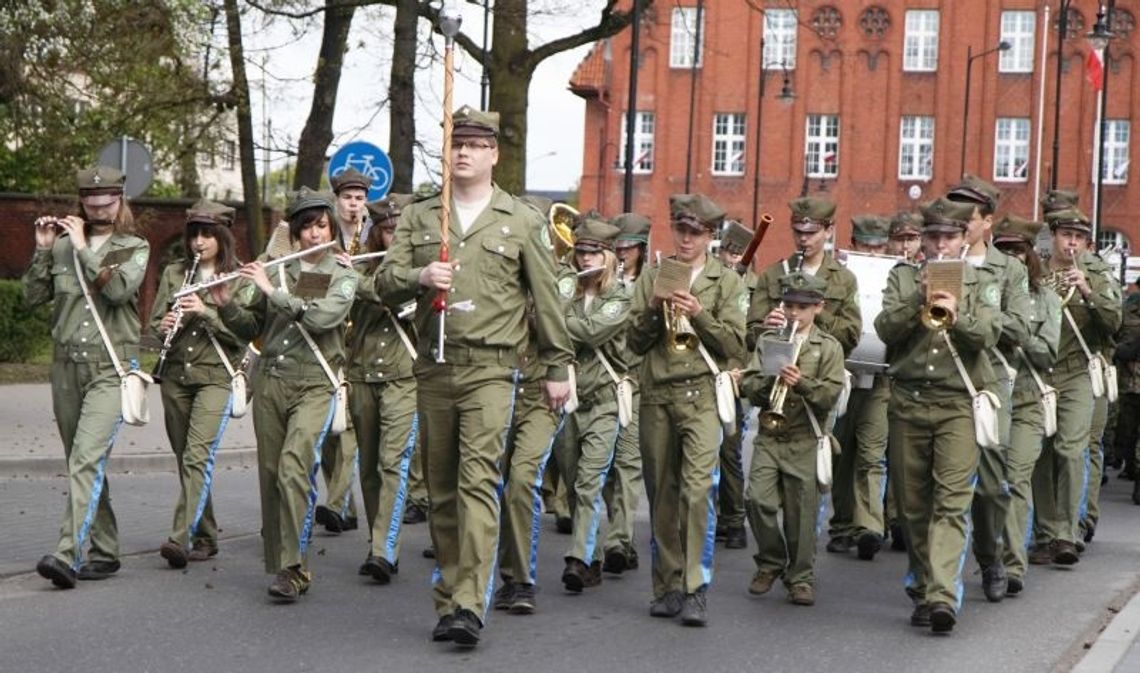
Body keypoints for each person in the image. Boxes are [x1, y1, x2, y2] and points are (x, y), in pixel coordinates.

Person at [376, 105, 573, 647]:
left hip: (492, 367)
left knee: (478, 483)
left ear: (493, 154)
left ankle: (469, 603)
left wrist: (557, 366)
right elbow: (382, 283)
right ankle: (448, 597)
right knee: (441, 491)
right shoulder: (423, 216)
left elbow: (546, 298)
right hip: (434, 364)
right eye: (455, 144)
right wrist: (419, 274)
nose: (462, 152)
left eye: (474, 145)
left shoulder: (521, 219)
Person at [215, 187, 357, 602]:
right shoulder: (277, 269)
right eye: (307, 227)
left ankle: (294, 566)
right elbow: (250, 329)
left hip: (315, 382)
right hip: (272, 380)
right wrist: (225, 305)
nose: (315, 234)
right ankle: (282, 564)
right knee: (271, 473)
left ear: (332, 229)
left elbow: (323, 318)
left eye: (322, 226)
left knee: (295, 465)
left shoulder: (343, 274)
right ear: (295, 233)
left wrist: (271, 289)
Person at [875, 197, 1001, 634]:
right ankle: (925, 584)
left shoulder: (981, 280)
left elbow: (988, 335)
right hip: (908, 402)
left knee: (950, 503)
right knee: (913, 508)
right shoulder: (903, 277)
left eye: (949, 236)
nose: (941, 245)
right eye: (933, 237)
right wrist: (919, 295)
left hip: (956, 406)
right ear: (924, 240)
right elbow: (884, 329)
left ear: (963, 238)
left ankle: (942, 595)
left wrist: (956, 312)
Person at [26, 165, 150, 588]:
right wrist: (44, 249)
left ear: (119, 200)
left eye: (107, 202)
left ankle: (66, 554)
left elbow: (116, 291)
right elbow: (32, 297)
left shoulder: (132, 246)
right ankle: (106, 549)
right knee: (82, 461)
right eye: (92, 203)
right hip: (65, 367)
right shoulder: (60, 245)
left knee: (85, 459)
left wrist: (82, 246)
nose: (99, 210)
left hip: (109, 368)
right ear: (81, 202)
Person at [627, 193, 747, 627]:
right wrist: (653, 309)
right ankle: (668, 585)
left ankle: (696, 587)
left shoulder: (726, 281)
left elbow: (735, 345)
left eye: (694, 232)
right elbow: (634, 342)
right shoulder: (653, 275)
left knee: (697, 492)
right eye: (680, 229)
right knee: (662, 494)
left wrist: (699, 314)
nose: (685, 238)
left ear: (709, 235)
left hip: (701, 395)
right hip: (658, 393)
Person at [746, 196, 861, 553]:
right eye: (798, 231)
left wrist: (810, 310)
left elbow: (851, 335)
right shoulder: (773, 274)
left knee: (805, 495)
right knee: (760, 497)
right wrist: (767, 325)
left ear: (828, 231)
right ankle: (776, 558)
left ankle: (801, 564)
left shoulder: (842, 278)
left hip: (818, 377)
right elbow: (749, 333)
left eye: (811, 233)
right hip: (774, 379)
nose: (804, 239)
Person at [946, 175, 1032, 602]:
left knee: (991, 482)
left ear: (986, 222)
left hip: (988, 380)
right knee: (936, 485)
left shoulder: (1009, 269)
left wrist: (977, 317)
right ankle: (934, 581)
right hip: (942, 378)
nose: (960, 223)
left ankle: (990, 555)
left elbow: (1020, 328)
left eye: (969, 216)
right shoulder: (940, 259)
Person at [151, 200, 245, 568]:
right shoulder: (175, 273)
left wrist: (206, 312)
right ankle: (205, 534)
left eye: (207, 235)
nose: (199, 242)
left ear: (222, 237)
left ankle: (180, 537)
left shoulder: (236, 277)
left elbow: (243, 337)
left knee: (197, 456)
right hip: (175, 376)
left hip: (215, 377)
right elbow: (154, 324)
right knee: (185, 458)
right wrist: (162, 326)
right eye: (194, 235)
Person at [743, 271, 845, 606]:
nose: (794, 313)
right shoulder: (769, 340)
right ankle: (771, 561)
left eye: (802, 307)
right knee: (757, 500)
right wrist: (767, 380)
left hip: (805, 438)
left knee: (802, 516)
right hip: (771, 435)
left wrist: (801, 383)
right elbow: (749, 385)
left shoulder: (828, 347)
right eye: (789, 305)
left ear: (818, 307)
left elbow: (829, 396)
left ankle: (800, 577)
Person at [1030, 204, 1121, 567]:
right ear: (1053, 237)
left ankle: (1067, 533)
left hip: (1077, 373)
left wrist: (1087, 291)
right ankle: (1044, 533)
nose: (1072, 243)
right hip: (1040, 372)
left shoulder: (1094, 276)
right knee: (1041, 453)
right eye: (1066, 235)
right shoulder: (1034, 273)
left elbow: (1113, 324)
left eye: (1079, 238)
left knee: (1071, 449)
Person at [556, 216, 631, 592]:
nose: (585, 260)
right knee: (572, 482)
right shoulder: (567, 288)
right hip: (568, 397)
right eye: (580, 253)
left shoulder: (620, 296)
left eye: (593, 253)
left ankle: (579, 558)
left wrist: (553, 315)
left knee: (590, 480)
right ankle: (594, 555)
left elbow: (590, 332)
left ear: (609, 256)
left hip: (604, 400)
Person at [347, 193, 419, 583]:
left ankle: (384, 550)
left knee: (394, 462)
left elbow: (391, 294)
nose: (394, 237)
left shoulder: (422, 270)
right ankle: (377, 539)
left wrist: (351, 281)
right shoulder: (359, 264)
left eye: (400, 230)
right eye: (388, 231)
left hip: (404, 375)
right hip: (361, 373)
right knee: (369, 466)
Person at [991, 214, 1061, 596]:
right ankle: (990, 556)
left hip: (1027, 398)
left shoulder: (1046, 299)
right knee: (989, 485)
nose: (1011, 258)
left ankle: (1012, 564)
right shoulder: (984, 293)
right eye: (1003, 250)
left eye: (1017, 251)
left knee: (1015, 477)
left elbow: (1048, 352)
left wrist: (1013, 331)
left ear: (1030, 255)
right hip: (989, 399)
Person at [313, 167, 372, 533]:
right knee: (328, 429)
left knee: (347, 426)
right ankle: (346, 509)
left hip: (361, 343)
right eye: (347, 198)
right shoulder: (322, 237)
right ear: (336, 201)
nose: (353, 205)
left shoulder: (374, 239)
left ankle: (334, 503)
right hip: (328, 340)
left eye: (359, 199)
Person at [833, 215, 892, 560]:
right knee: (841, 454)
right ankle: (842, 526)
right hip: (843, 374)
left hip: (881, 378)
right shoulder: (840, 275)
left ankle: (869, 526)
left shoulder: (898, 274)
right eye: (866, 246)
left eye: (879, 246)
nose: (872, 253)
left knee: (872, 454)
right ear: (854, 244)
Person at [600, 212, 651, 573]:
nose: (621, 253)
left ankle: (619, 539)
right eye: (616, 246)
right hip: (602, 380)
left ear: (642, 248)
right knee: (601, 468)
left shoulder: (651, 281)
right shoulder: (599, 278)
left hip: (635, 381)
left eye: (628, 247)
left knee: (628, 463)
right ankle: (622, 532)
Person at [712, 220, 757, 551]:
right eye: (728, 252)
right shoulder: (710, 281)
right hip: (707, 371)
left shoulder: (755, 287)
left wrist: (749, 372)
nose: (731, 258)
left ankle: (734, 519)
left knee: (729, 452)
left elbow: (757, 335)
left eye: (738, 254)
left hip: (736, 376)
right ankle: (707, 517)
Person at [1113, 278, 1140, 494]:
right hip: (1129, 382)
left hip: (1131, 382)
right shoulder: (1127, 310)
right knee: (1127, 429)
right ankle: (1129, 466)